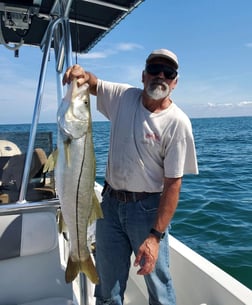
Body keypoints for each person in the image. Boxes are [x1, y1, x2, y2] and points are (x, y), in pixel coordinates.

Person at [63, 48, 198, 305]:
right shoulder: (124, 96)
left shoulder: (178, 123)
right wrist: (80, 74)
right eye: (154, 70)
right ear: (143, 75)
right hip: (110, 205)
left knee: (158, 285)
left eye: (168, 72)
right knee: (107, 285)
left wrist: (155, 237)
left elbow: (173, 185)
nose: (160, 76)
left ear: (175, 82)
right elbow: (91, 83)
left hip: (146, 211)